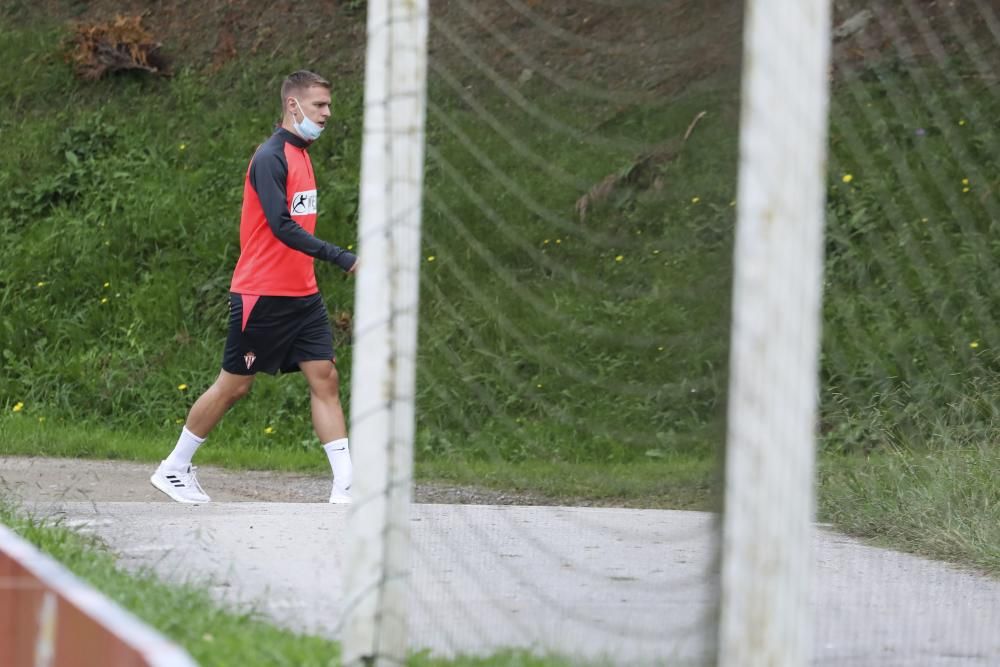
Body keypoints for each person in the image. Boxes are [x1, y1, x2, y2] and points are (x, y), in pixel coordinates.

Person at [151, 70, 357, 505]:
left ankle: (347, 487)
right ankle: (173, 468)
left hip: (303, 294)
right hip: (262, 295)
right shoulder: (270, 157)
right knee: (234, 386)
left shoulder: (303, 155)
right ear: (293, 106)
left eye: (329, 106)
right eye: (319, 105)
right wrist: (342, 256)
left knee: (326, 378)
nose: (327, 114)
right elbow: (281, 227)